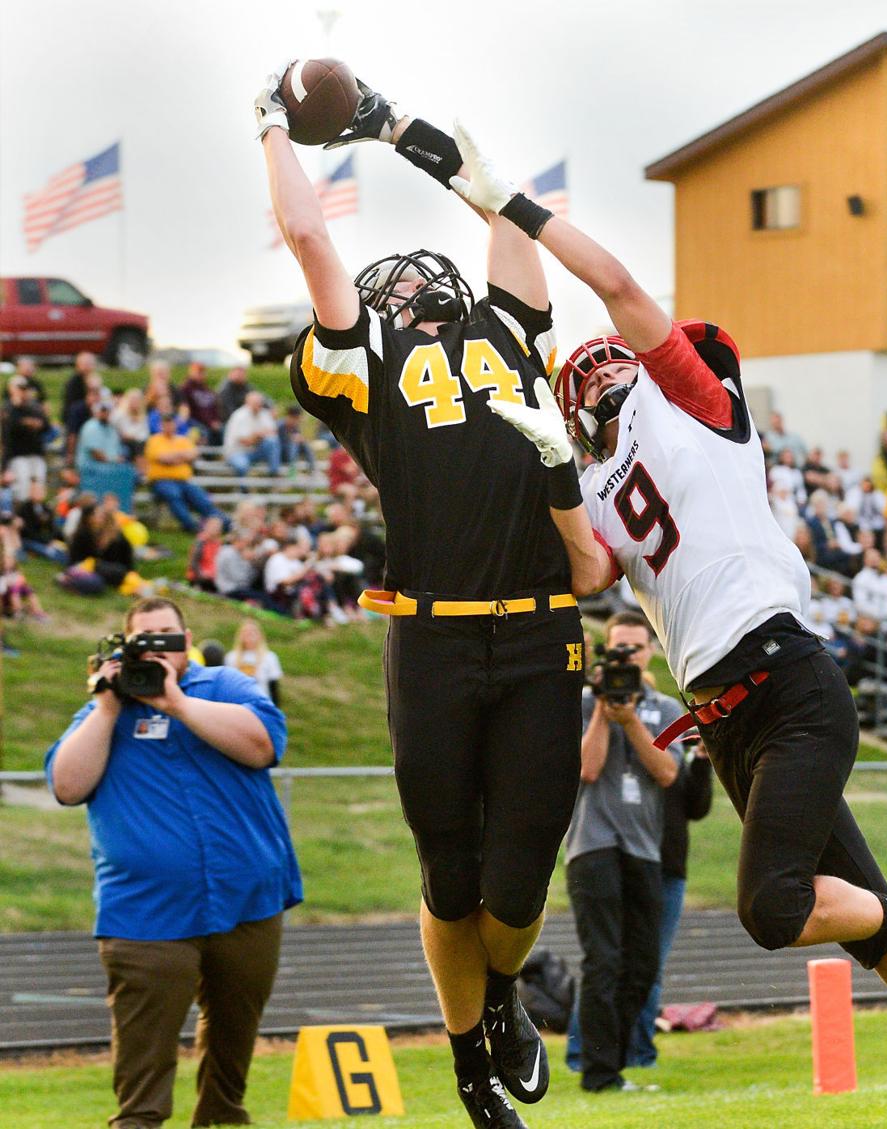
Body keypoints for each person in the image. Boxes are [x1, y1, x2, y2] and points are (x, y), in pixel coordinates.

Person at [461, 129, 887, 1128]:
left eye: (611, 359)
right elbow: (596, 568)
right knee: (863, 935)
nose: (600, 371)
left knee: (775, 906)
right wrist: (559, 474)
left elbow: (611, 280)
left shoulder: (693, 397)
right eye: (586, 372)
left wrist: (513, 209)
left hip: (784, 677)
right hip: (726, 714)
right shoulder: (597, 481)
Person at [257, 72, 584, 1129]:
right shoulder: (368, 361)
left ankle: (499, 1001)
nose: (409, 286)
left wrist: (396, 125)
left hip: (540, 635)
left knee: (520, 886)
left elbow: (498, 203)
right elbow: (312, 243)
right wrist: (271, 126)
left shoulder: (509, 328)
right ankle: (471, 1058)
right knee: (451, 880)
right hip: (433, 640)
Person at [44, 597, 301, 1129]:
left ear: (186, 642)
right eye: (146, 639)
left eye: (168, 636)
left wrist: (176, 703)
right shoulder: (103, 709)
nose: (158, 647)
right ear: (126, 645)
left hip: (246, 903)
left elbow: (264, 744)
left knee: (232, 1054)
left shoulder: (224, 686)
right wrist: (109, 706)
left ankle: (220, 1119)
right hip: (145, 913)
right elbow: (67, 785)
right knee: (143, 1075)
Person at [563, 611, 684, 1092]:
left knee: (642, 964)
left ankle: (611, 1062)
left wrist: (629, 719)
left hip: (644, 848)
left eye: (635, 648)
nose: (627, 657)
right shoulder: (581, 703)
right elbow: (587, 770)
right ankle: (599, 1074)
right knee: (603, 960)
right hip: (592, 845)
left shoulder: (665, 709)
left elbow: (669, 773)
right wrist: (601, 708)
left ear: (650, 651)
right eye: (619, 649)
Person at [628, 731, 713, 1067]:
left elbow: (697, 805)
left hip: (668, 867)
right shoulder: (622, 738)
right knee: (612, 962)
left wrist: (703, 760)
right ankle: (597, 1053)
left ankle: (640, 1052)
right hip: (626, 863)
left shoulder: (678, 744)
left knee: (651, 964)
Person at [144, 414, 226, 534]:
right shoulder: (154, 440)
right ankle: (191, 526)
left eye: (171, 423)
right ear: (161, 426)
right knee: (173, 494)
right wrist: (181, 456)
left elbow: (193, 454)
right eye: (166, 424)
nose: (169, 427)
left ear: (175, 425)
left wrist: (172, 457)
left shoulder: (183, 440)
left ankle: (224, 523)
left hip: (183, 481)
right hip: (161, 481)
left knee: (200, 498)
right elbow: (163, 458)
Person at [223, 390, 282, 477]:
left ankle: (274, 473)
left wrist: (258, 435)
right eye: (255, 403)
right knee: (242, 466)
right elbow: (246, 442)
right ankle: (244, 489)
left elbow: (273, 433)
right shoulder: (239, 416)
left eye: (260, 403)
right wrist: (259, 435)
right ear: (247, 402)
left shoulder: (264, 414)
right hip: (237, 452)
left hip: (255, 452)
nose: (258, 405)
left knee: (272, 441)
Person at [226, 618, 283, 705]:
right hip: (238, 705)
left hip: (262, 704)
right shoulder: (231, 657)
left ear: (259, 635)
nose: (249, 635)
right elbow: (228, 685)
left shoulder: (269, 657)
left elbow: (273, 687)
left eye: (253, 632)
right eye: (246, 632)